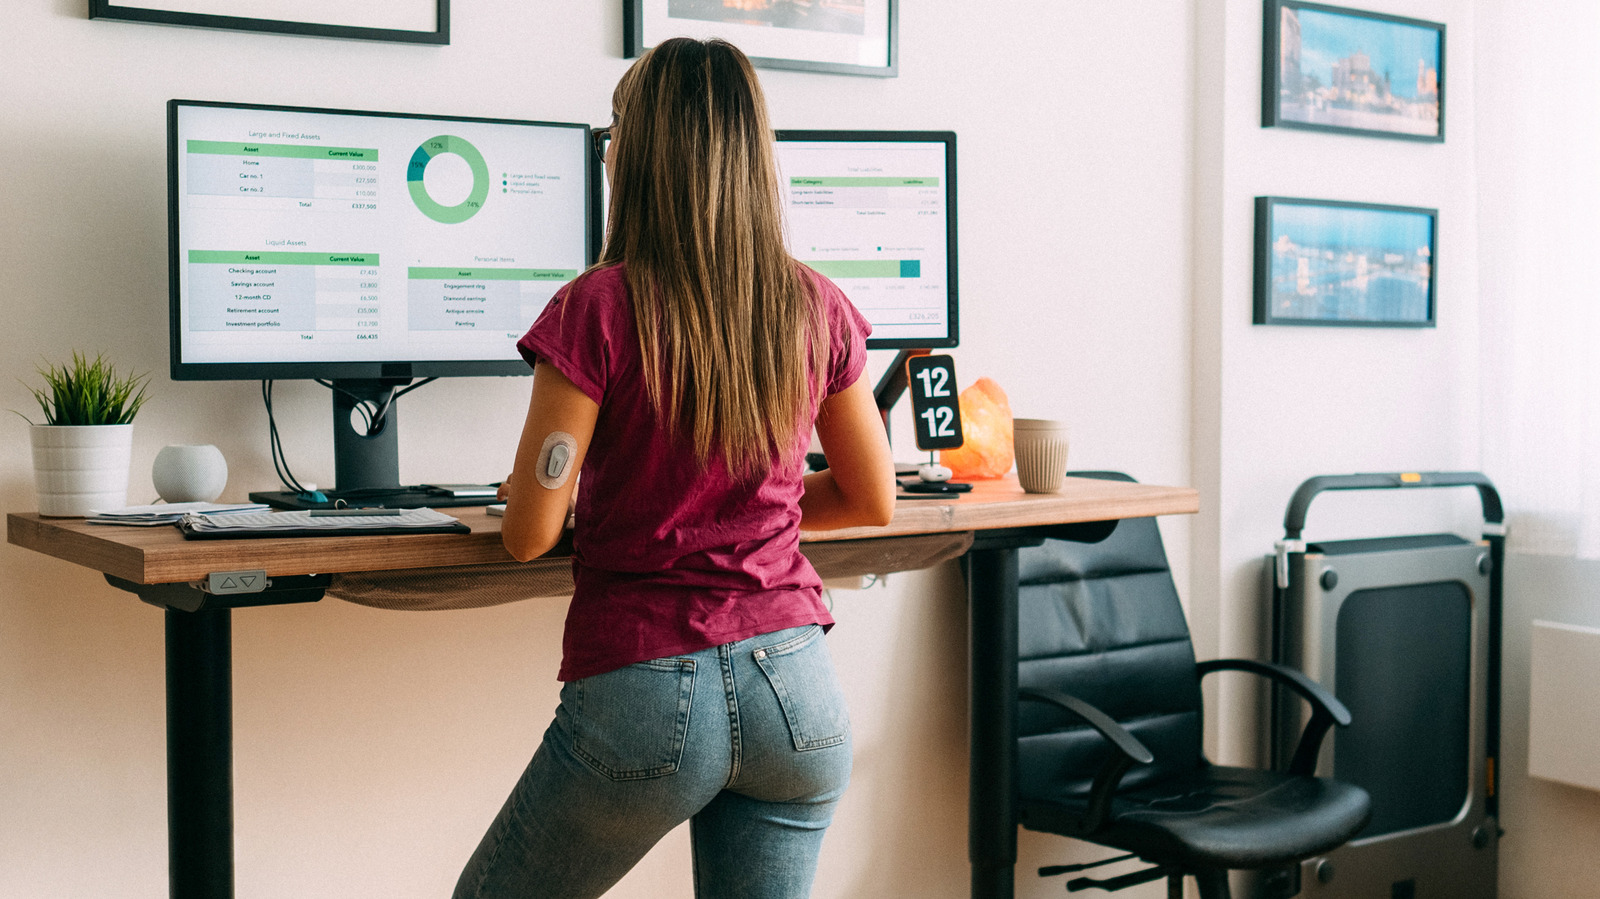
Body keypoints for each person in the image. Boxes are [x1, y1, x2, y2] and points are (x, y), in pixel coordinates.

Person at [453, 37, 895, 899]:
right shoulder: (816, 305)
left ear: (641, 153)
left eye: (615, 130)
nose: (607, 150)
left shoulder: (594, 307)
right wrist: (739, 511)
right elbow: (870, 497)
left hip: (648, 696)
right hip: (797, 693)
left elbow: (528, 535)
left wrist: (573, 500)